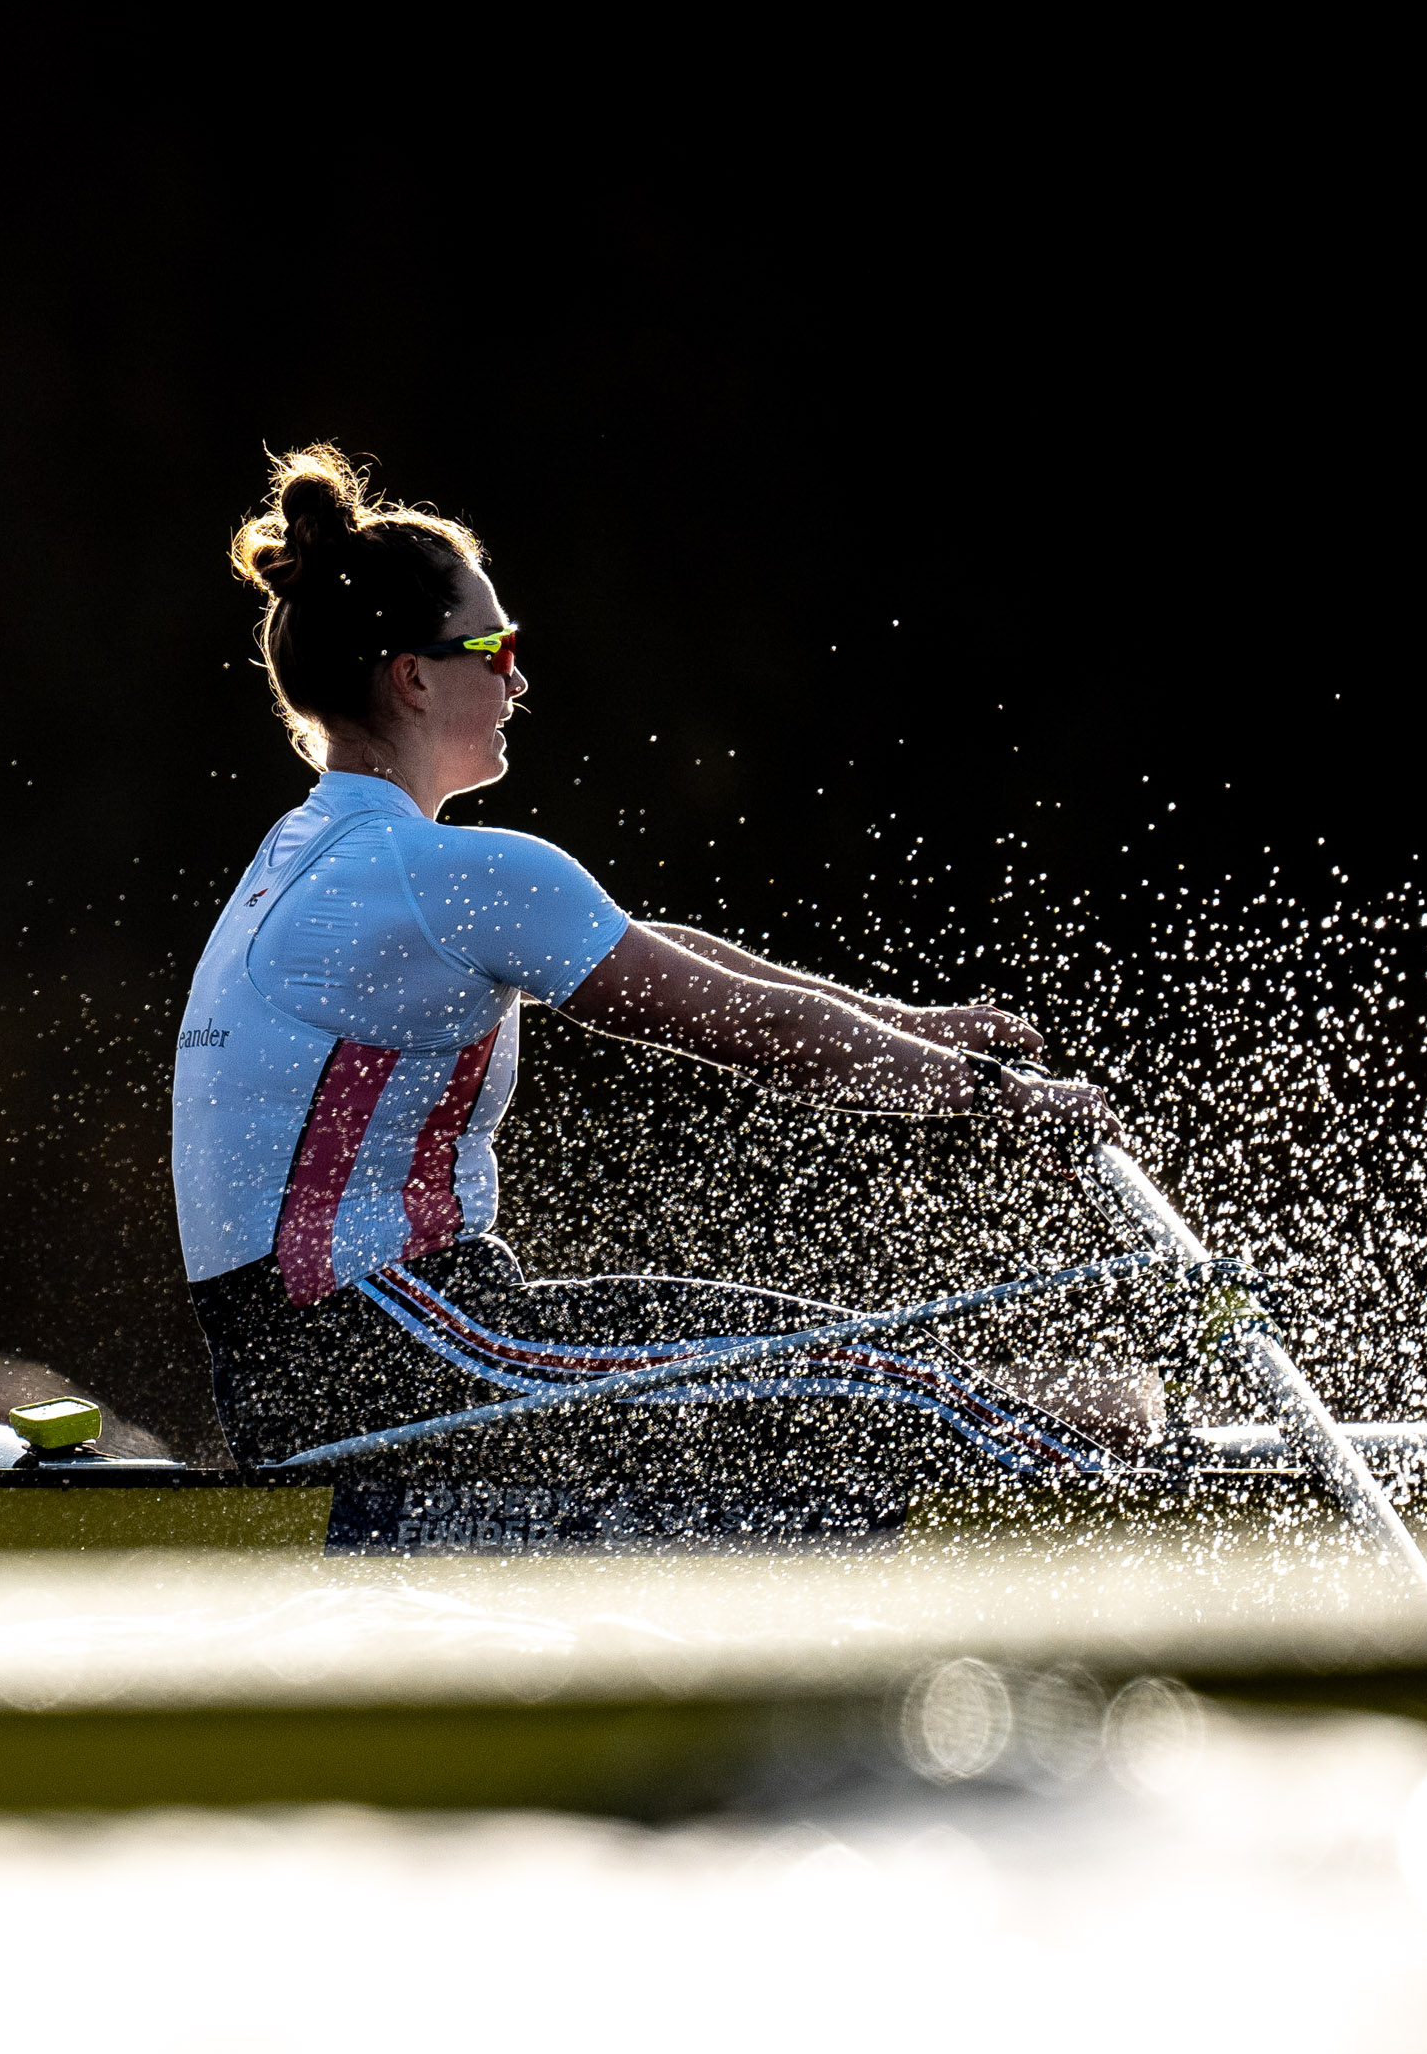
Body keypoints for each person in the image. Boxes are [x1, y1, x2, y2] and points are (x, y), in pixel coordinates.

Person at [172, 447, 1149, 1497]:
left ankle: (1070, 1431)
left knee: (836, 1352)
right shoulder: (436, 873)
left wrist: (910, 1023)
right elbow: (751, 1030)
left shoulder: (312, 855)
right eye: (493, 647)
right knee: (871, 1384)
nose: (517, 676)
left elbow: (661, 951)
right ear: (411, 676)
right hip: (393, 1357)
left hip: (347, 1362)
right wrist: (992, 1097)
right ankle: (1115, 1484)